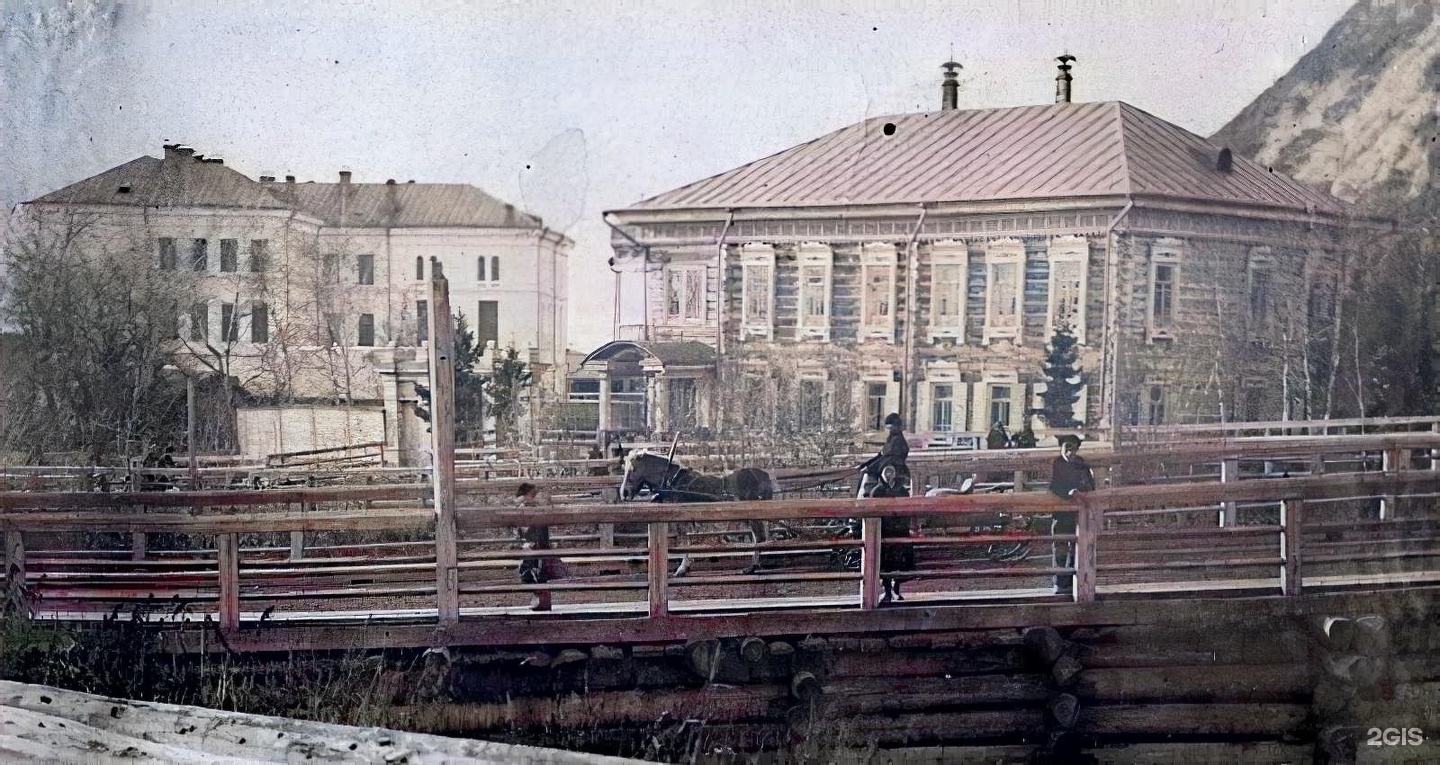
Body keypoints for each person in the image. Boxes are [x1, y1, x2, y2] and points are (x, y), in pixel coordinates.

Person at [1049, 434, 1096, 595]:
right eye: (1067, 446)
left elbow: (1091, 485)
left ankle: (1076, 582)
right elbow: (1053, 486)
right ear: (1061, 448)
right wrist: (1069, 493)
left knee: (1078, 548)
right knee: (1060, 547)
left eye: (1073, 447)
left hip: (1078, 512)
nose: (1070, 451)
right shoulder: (1056, 463)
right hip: (1061, 512)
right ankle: (1060, 583)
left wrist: (1083, 491)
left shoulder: (1082, 463)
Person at [869, 464, 915, 603]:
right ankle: (887, 591)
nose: (889, 474)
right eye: (886, 471)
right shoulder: (877, 491)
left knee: (900, 562)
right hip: (884, 532)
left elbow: (908, 509)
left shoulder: (902, 491)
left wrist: (903, 524)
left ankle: (897, 589)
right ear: (882, 474)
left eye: (892, 471)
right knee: (885, 563)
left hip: (900, 531)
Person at [515, 482, 553, 611]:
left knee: (535, 571)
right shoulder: (525, 507)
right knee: (529, 572)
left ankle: (542, 598)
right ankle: (541, 596)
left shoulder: (535, 508)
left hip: (536, 544)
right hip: (531, 544)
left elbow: (527, 529)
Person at [860, 412, 910, 496]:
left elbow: (888, 457)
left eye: (891, 427)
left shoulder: (898, 441)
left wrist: (871, 467)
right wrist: (865, 464)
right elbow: (881, 455)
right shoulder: (891, 439)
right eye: (888, 428)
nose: (890, 430)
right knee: (867, 471)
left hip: (893, 467)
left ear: (897, 427)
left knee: (870, 473)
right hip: (886, 464)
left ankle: (868, 493)